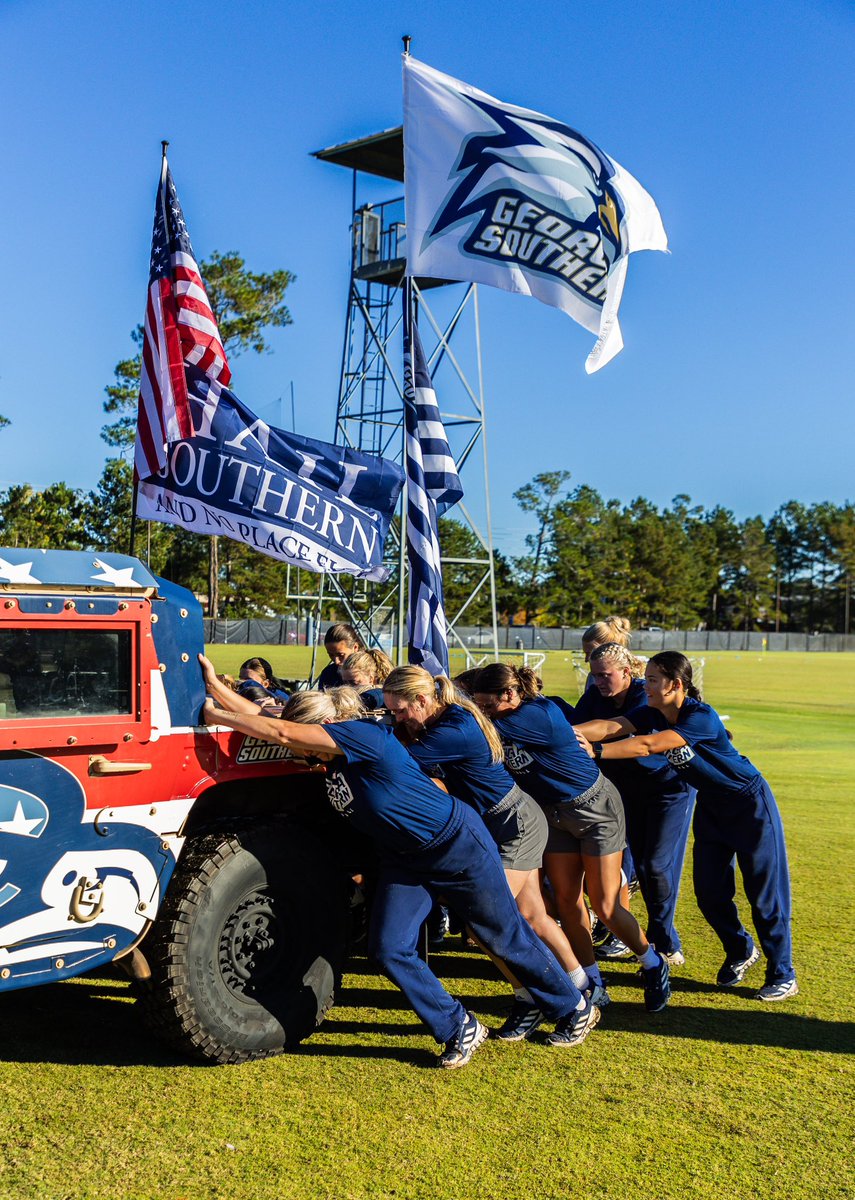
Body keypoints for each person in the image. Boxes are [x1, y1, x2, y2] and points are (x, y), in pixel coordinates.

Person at [198, 655, 600, 1066]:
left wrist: (218, 715)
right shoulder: (332, 745)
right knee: (389, 948)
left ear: (325, 729)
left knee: (503, 935)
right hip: (405, 858)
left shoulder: (361, 736)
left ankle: (573, 1007)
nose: (295, 751)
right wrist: (216, 689)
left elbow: (282, 729)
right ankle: (458, 1024)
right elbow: (279, 724)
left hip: (455, 846)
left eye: (303, 741)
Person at [383, 665, 605, 1039]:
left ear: (423, 699)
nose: (396, 717)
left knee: (486, 920)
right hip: (499, 822)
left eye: (400, 710)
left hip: (512, 824)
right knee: (532, 915)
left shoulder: (454, 730)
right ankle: (580, 987)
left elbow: (395, 759)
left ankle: (562, 1002)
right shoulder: (444, 715)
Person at [574, 651, 797, 1001]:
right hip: (712, 807)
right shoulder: (652, 711)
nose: (644, 685)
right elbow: (613, 726)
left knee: (764, 894)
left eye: (652, 680)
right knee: (710, 894)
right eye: (644, 678)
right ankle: (740, 948)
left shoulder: (700, 717)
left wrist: (597, 752)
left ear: (676, 684)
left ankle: (783, 972)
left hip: (750, 806)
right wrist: (563, 735)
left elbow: (647, 745)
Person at [472, 662, 671, 1014]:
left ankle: (652, 963)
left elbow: (478, 729)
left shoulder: (535, 714)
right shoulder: (506, 715)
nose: (484, 711)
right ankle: (593, 981)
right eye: (480, 705)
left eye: (488, 704)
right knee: (566, 900)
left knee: (606, 905)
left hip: (594, 809)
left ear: (510, 694)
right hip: (552, 813)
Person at [569, 643, 693, 966]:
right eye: (594, 676)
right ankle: (635, 938)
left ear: (627, 672)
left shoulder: (647, 697)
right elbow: (606, 727)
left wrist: (596, 750)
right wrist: (561, 733)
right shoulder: (595, 698)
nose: (598, 682)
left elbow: (638, 743)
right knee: (631, 870)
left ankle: (664, 942)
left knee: (654, 866)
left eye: (605, 675)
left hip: (667, 792)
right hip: (626, 795)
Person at [316, 624, 364, 691]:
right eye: (331, 655)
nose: (336, 661)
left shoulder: (373, 670)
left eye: (341, 655)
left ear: (355, 647)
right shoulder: (328, 673)